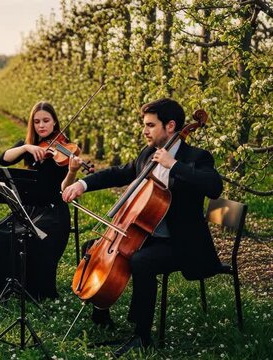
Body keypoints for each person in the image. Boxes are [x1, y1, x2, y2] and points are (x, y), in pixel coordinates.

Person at [62, 98, 223, 357]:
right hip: (148, 234)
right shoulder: (147, 154)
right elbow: (119, 172)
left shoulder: (196, 157)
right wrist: (83, 184)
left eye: (150, 125)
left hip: (181, 242)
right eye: (144, 125)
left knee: (141, 261)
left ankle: (141, 335)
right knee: (94, 247)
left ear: (170, 126)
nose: (145, 131)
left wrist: (174, 166)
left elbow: (214, 187)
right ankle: (101, 313)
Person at [0, 101, 71, 300]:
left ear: (55, 122)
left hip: (53, 209)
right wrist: (27, 147)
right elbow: (3, 159)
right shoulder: (28, 145)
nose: (41, 125)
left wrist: (72, 169)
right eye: (37, 122)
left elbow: (66, 185)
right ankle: (1, 286)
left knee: (32, 237)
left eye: (46, 120)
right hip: (28, 207)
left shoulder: (64, 149)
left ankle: (34, 289)